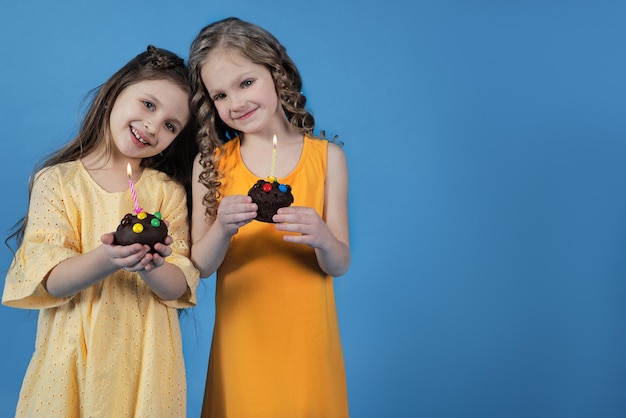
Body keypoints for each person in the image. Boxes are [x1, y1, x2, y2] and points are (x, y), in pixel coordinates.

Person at [2, 45, 200, 417]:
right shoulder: (58, 183)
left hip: (146, 364)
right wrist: (108, 258)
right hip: (73, 357)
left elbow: (181, 287)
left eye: (171, 125)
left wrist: (153, 266)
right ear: (116, 92)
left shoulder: (166, 193)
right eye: (148, 104)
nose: (153, 126)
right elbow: (51, 280)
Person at [188, 17, 351, 417]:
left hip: (308, 344)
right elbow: (201, 266)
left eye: (246, 83)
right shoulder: (209, 166)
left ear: (276, 73)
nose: (236, 103)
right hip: (242, 342)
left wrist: (322, 238)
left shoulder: (328, 158)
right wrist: (223, 228)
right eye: (221, 95)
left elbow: (340, 262)